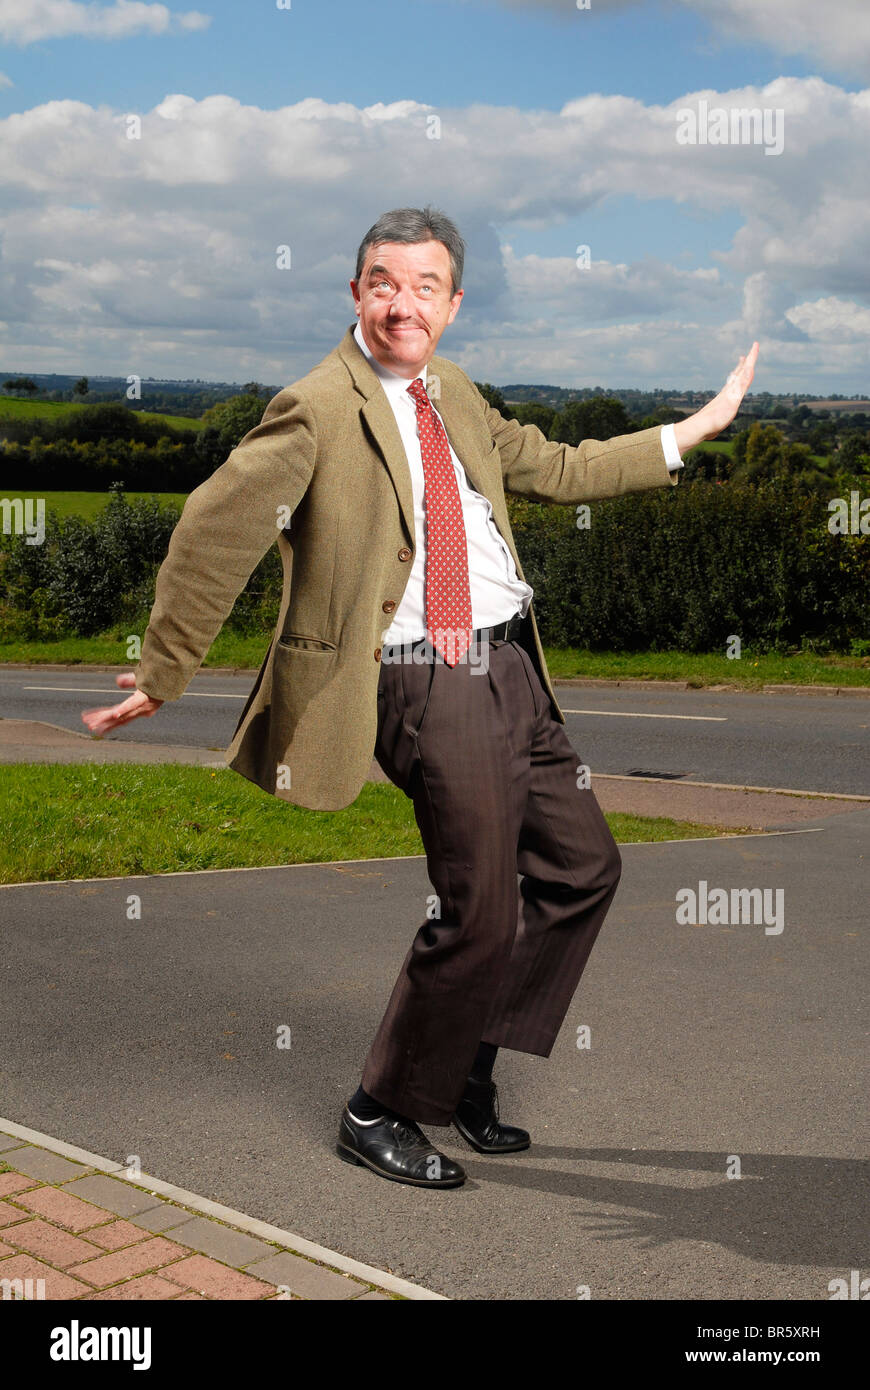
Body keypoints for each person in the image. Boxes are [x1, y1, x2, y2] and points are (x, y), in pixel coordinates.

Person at [82, 206, 758, 1190]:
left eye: (425, 285)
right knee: (478, 908)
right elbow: (215, 524)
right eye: (384, 282)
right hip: (424, 673)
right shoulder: (318, 406)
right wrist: (163, 668)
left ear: (452, 301)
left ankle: (463, 1068)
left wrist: (693, 429)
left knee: (584, 868)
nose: (405, 303)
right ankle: (382, 1107)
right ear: (357, 293)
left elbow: (559, 469)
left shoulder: (457, 392)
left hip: (513, 665)